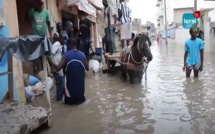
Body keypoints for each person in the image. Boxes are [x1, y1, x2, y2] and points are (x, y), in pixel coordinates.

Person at [47, 37, 89, 105]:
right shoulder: (82, 55)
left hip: (69, 95)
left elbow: (57, 68)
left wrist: (49, 60)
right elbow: (87, 68)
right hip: (81, 94)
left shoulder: (66, 55)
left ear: (69, 45)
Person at [28, 0, 52, 75]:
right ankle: (36, 71)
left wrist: (50, 36)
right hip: (35, 37)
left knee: (47, 53)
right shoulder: (32, 11)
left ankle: (50, 69)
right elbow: (28, 18)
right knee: (36, 54)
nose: (38, 8)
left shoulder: (46, 12)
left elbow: (49, 24)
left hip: (43, 37)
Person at [51, 31, 66, 101]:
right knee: (60, 84)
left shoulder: (60, 45)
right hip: (56, 68)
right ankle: (59, 100)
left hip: (59, 68)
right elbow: (50, 54)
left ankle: (60, 100)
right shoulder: (57, 44)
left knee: (61, 84)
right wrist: (53, 67)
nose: (64, 41)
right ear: (60, 38)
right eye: (63, 39)